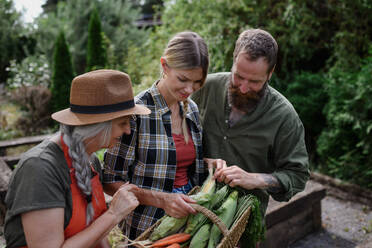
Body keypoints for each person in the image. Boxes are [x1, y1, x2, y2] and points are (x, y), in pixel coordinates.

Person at [4, 69, 151, 248]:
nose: (128, 131)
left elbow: (94, 230)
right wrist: (114, 214)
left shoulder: (90, 160)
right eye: (122, 123)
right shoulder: (40, 169)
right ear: (97, 126)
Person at [191, 28, 310, 244]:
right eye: (238, 76)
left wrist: (255, 179)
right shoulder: (204, 88)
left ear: (270, 74)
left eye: (254, 82)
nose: (244, 88)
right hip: (189, 215)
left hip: (241, 229)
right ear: (233, 60)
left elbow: (298, 175)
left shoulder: (284, 116)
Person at [103, 31, 222, 240]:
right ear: (165, 66)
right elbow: (110, 180)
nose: (189, 89)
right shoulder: (136, 112)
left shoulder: (191, 109)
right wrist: (161, 200)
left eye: (197, 82)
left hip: (189, 225)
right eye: (183, 79)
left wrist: (209, 165)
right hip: (147, 230)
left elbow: (179, 166)